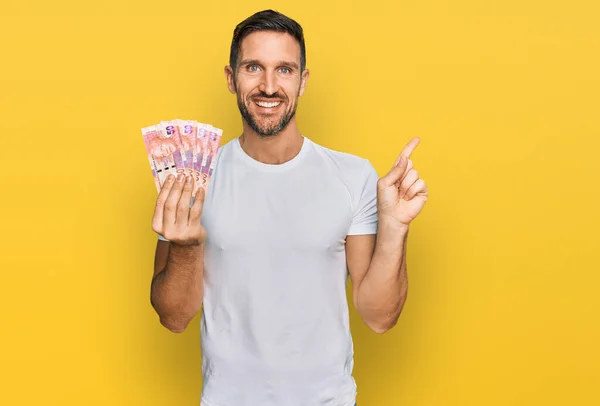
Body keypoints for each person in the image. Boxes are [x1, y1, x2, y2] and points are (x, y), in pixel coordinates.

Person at [149, 9, 428, 406]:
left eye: (284, 70)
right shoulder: (193, 179)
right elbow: (173, 318)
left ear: (303, 81)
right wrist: (186, 246)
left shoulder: (353, 176)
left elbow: (379, 317)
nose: (268, 86)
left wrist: (396, 228)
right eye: (253, 67)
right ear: (231, 79)